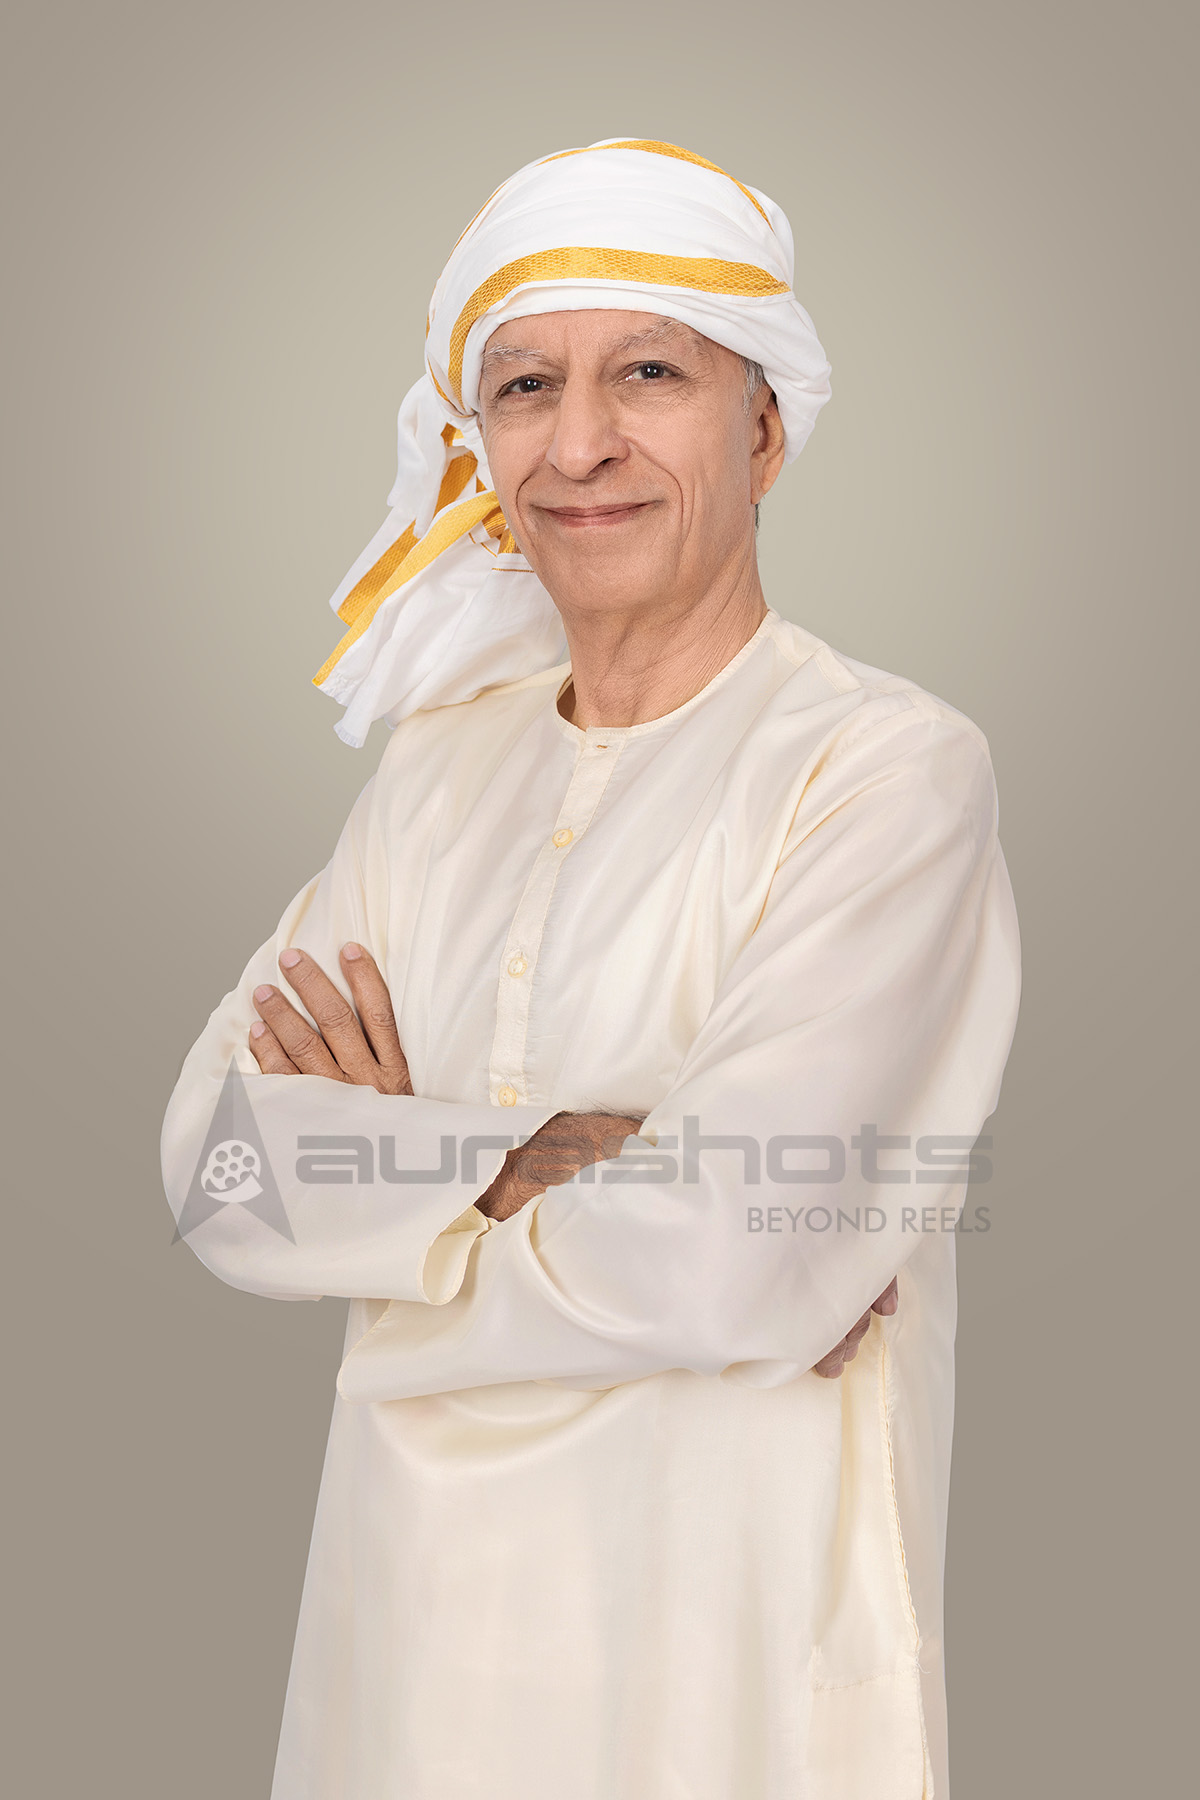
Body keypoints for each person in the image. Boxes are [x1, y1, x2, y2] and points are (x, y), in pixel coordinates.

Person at [162, 139, 1021, 1799]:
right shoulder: (436, 776)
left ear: (763, 425)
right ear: (473, 445)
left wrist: (392, 1220)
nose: (579, 445)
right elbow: (215, 1166)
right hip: (400, 1668)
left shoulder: (885, 771)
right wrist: (529, 1161)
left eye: (649, 373)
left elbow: (731, 1252)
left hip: (728, 1681)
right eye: (526, 386)